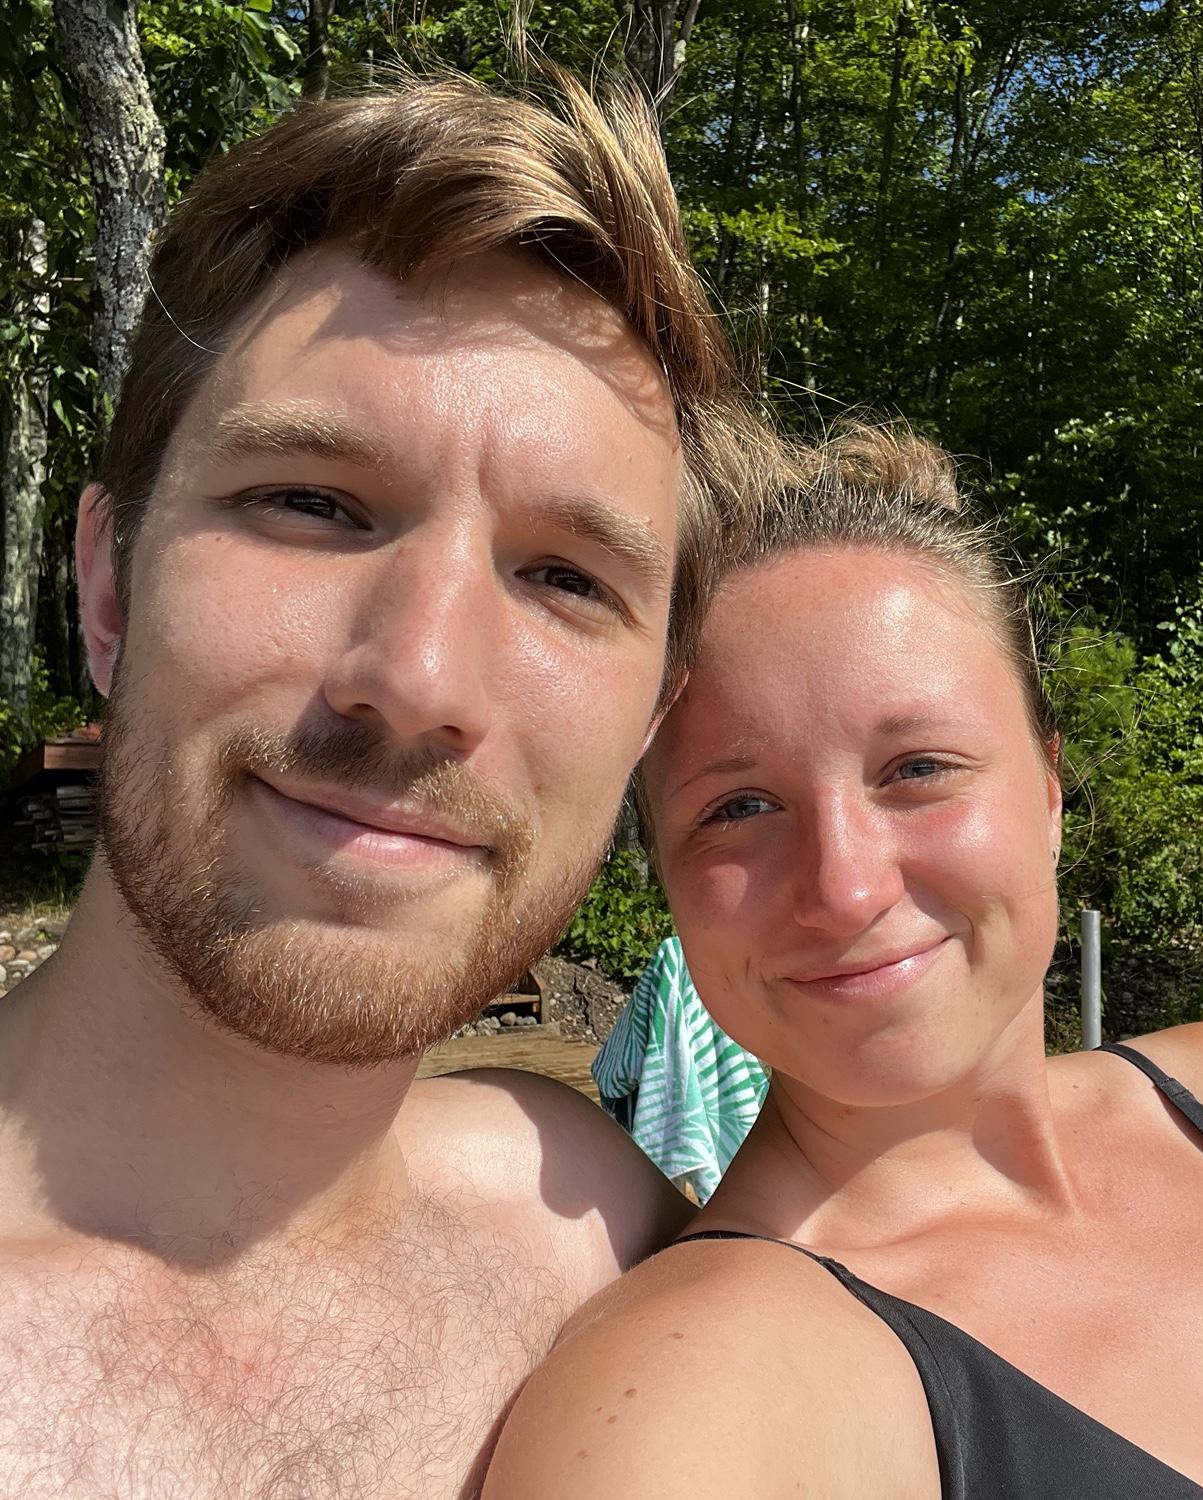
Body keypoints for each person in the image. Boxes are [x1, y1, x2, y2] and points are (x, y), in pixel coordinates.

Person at [0, 66, 781, 1497]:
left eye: (565, 578)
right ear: (107, 589)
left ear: (650, 722)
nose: (418, 678)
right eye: (310, 502)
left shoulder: (617, 1247)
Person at [491, 427, 1203, 1499]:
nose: (846, 887)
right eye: (739, 807)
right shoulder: (701, 1388)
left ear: (1050, 795)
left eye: (917, 768)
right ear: (665, 872)